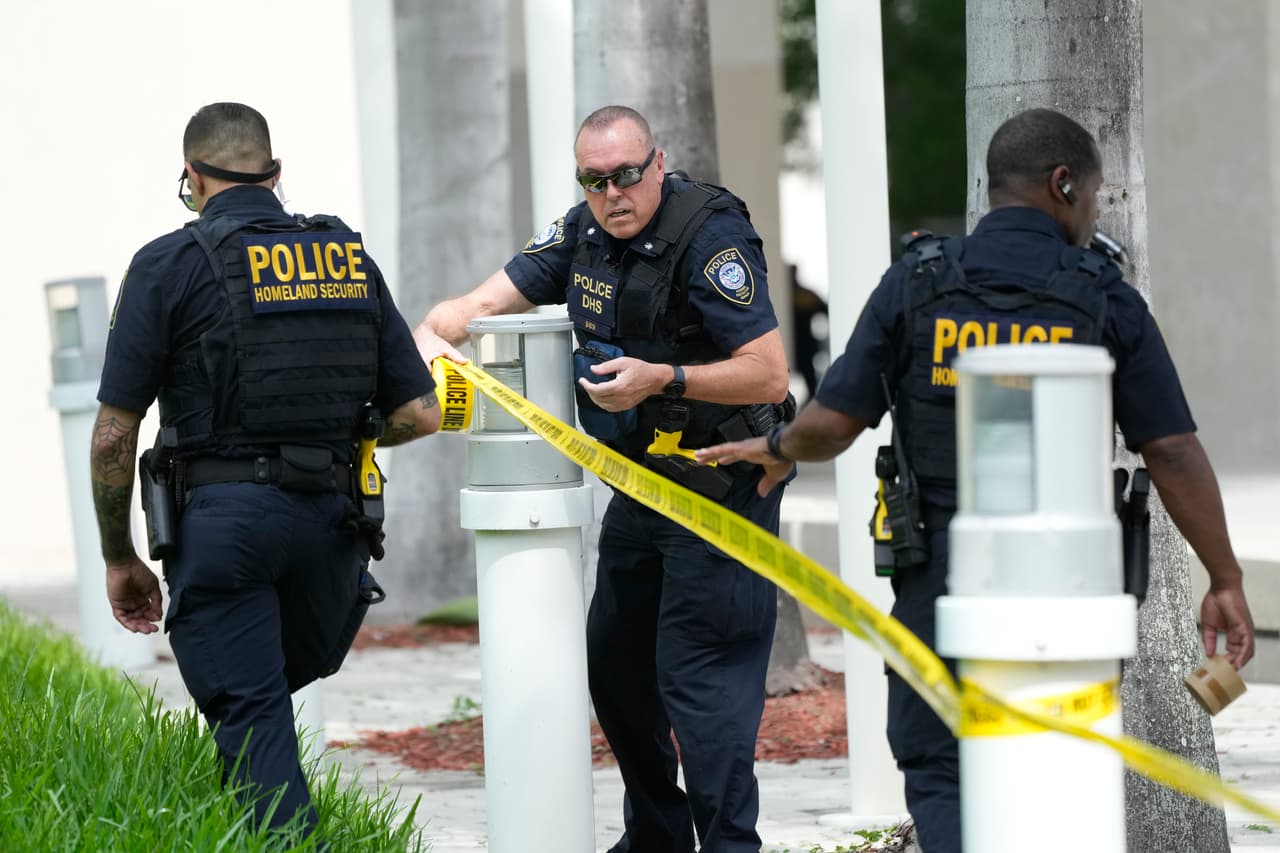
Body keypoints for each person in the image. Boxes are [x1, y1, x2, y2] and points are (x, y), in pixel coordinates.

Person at [696, 107, 1256, 853]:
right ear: (1063, 185)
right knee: (1059, 763)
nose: (1090, 214)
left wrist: (775, 445)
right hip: (1063, 588)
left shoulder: (916, 284)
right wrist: (1222, 575)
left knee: (938, 762)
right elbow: (1173, 450)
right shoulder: (1101, 296)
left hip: (940, 583)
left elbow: (832, 423)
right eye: (1090, 196)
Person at [413, 104, 792, 852]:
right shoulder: (582, 231)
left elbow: (769, 372)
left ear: (658, 164)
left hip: (719, 485)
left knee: (701, 686)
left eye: (626, 175)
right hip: (640, 486)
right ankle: (657, 837)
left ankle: (730, 847)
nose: (613, 193)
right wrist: (434, 334)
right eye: (595, 180)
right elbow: (480, 303)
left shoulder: (708, 235)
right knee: (616, 666)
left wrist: (666, 378)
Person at [90, 102, 442, 838]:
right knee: (257, 706)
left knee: (251, 717)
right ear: (276, 175)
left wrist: (120, 556)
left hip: (226, 532)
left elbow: (114, 436)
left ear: (192, 178)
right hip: (332, 528)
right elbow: (421, 413)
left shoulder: (167, 264)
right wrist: (344, 435)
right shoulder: (346, 257)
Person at [788, 262, 828, 400]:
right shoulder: (789, 294)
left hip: (805, 344)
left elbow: (825, 310)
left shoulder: (805, 295)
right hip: (794, 343)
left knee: (810, 380)